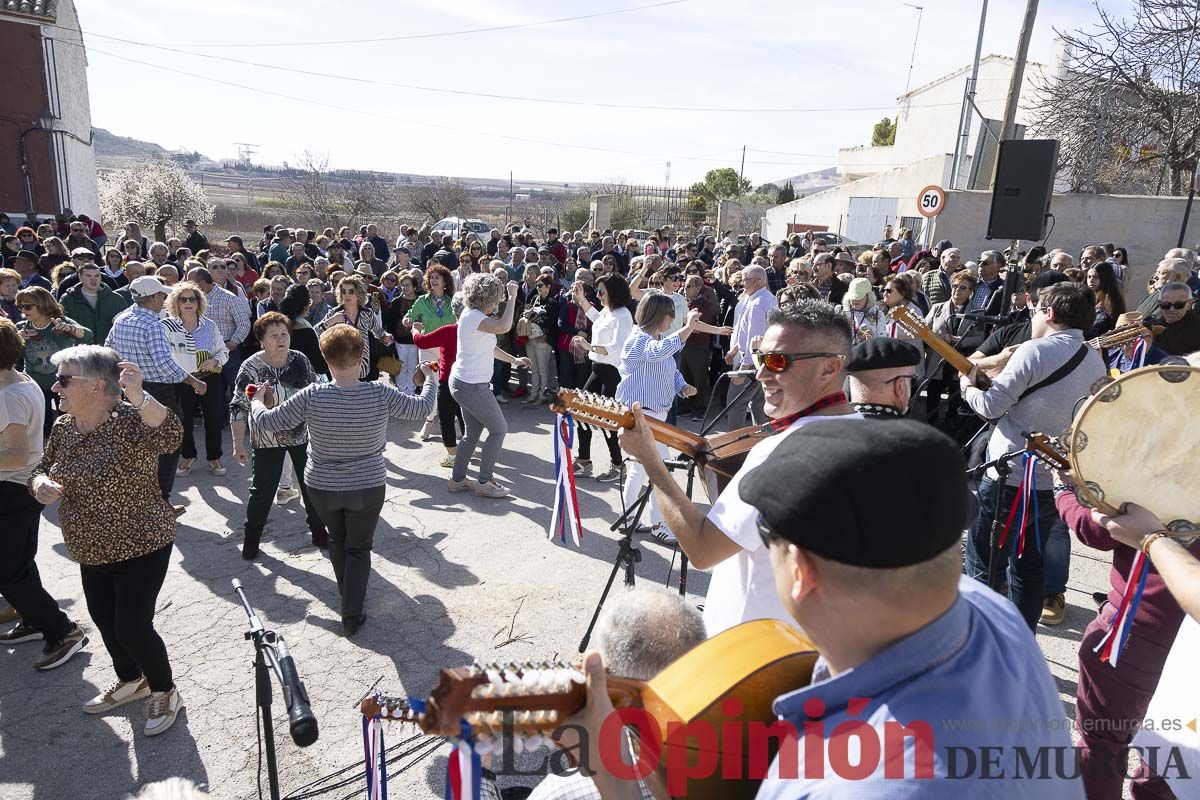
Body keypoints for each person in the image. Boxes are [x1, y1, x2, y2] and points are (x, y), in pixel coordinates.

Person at [618, 299, 859, 634]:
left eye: (777, 361)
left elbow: (703, 550)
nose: (761, 373)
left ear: (830, 369)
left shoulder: (780, 452)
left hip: (753, 653)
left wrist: (650, 459)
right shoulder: (867, 432)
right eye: (761, 358)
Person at [30, 347, 185, 735]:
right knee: (104, 620)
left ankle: (165, 690)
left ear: (98, 386)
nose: (56, 386)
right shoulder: (65, 425)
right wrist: (39, 483)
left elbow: (171, 435)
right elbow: (42, 467)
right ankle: (132, 679)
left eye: (65, 379)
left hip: (142, 541)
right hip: (90, 547)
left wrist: (139, 394)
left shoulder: (132, 419)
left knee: (132, 625)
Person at [249, 325, 437, 636]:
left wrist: (257, 400)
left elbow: (269, 422)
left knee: (337, 539)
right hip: (367, 484)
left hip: (322, 485)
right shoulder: (379, 392)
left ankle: (347, 595)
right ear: (362, 358)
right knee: (359, 548)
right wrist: (429, 379)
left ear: (326, 360)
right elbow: (421, 408)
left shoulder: (313, 395)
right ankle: (351, 612)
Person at [960, 282, 1106, 630]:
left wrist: (966, 384)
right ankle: (1020, 642)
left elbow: (991, 407)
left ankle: (980, 644)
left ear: (1049, 313)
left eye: (1036, 309)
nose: (1034, 316)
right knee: (1029, 566)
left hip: (1009, 476)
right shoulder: (1095, 359)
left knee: (985, 564)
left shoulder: (1033, 350)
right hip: (1053, 482)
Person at [1051, 473, 1200, 798]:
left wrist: (1065, 492)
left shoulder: (1173, 451)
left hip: (1139, 634)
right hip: (1177, 645)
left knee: (1101, 746)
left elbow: (1099, 530)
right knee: (1172, 765)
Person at [0, 318, 87, 669]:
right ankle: (35, 621)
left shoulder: (7, 395)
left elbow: (17, 453)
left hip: (12, 489)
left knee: (7, 572)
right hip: (23, 488)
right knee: (19, 563)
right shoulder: (20, 381)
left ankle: (62, 631)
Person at [105, 276, 209, 507]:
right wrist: (194, 381)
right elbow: (165, 365)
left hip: (129, 390)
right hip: (158, 392)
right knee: (168, 444)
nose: (164, 299)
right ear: (153, 298)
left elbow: (108, 351)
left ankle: (141, 498)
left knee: (140, 446)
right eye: (162, 296)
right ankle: (161, 501)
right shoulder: (152, 325)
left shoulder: (120, 319)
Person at [230, 312, 326, 559]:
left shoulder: (300, 360)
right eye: (273, 335)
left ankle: (319, 531)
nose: (280, 338)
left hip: (302, 434)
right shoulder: (251, 367)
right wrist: (237, 443)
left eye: (284, 334)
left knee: (312, 485)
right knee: (262, 490)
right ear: (262, 340)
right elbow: (239, 405)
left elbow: (316, 393)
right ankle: (252, 539)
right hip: (266, 437)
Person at [614, 294, 701, 542]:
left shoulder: (657, 339)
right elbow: (656, 354)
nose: (672, 319)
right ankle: (659, 524)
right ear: (657, 314)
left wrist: (682, 386)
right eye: (669, 314)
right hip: (641, 414)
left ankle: (628, 518)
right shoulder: (638, 339)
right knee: (660, 471)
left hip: (654, 414)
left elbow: (669, 369)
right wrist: (689, 327)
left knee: (639, 470)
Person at [448, 273, 528, 499]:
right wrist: (513, 297)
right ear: (489, 297)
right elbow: (504, 327)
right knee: (499, 429)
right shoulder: (474, 316)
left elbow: (490, 348)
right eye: (499, 297)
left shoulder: (475, 317)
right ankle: (484, 481)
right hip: (472, 385)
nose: (500, 301)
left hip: (465, 383)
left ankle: (458, 479)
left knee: (472, 432)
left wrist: (515, 360)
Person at [162, 282, 229, 477]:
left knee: (213, 419)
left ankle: (214, 458)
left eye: (193, 299)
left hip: (209, 378)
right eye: (183, 299)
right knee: (184, 420)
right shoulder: (166, 326)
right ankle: (188, 456)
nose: (188, 302)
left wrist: (215, 360)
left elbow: (222, 350)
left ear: (199, 302)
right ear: (176, 302)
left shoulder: (210, 325)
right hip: (181, 380)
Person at [571, 274, 634, 481]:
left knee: (608, 422)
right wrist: (582, 300)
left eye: (601, 292)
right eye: (597, 291)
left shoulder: (623, 315)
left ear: (613, 293)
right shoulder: (608, 311)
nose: (598, 295)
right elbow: (596, 317)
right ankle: (584, 460)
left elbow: (618, 347)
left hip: (612, 373)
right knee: (582, 412)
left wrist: (590, 346)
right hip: (597, 369)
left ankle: (618, 465)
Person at [14, 286, 92, 434]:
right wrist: (16, 339)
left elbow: (87, 335)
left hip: (62, 384)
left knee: (68, 425)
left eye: (28, 306)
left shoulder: (60, 322)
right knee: (42, 428)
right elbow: (9, 355)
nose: (23, 310)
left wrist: (70, 329)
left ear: (43, 304)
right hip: (35, 385)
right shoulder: (21, 328)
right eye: (20, 306)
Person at [412, 295, 468, 469]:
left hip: (447, 381)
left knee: (446, 418)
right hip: (466, 381)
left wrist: (415, 330)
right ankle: (469, 449)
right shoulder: (475, 333)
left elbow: (421, 341)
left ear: (453, 311)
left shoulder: (448, 330)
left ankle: (453, 457)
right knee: (465, 417)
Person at [725, 265, 777, 430]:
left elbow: (754, 339)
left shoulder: (757, 303)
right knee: (760, 404)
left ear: (755, 281)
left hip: (753, 363)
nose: (742, 284)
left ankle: (735, 446)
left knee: (735, 403)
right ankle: (762, 440)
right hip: (764, 362)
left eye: (745, 280)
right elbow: (745, 333)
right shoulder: (767, 298)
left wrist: (743, 368)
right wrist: (734, 350)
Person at [316, 274, 392, 381]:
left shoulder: (366, 313)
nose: (347, 295)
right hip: (340, 364)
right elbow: (315, 332)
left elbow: (379, 332)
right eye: (344, 291)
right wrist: (331, 321)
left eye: (351, 291)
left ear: (358, 294)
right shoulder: (335, 312)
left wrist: (387, 337)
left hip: (362, 368)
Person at [845, 337, 922, 418]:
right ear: (900, 387)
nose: (912, 385)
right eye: (913, 381)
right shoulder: (914, 430)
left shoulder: (832, 427)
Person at [1151, 281, 1200, 355]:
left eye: (1179, 304)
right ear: (1159, 303)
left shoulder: (1197, 328)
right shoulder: (1153, 326)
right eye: (1166, 304)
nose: (1172, 309)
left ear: (1189, 304)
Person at [1086, 260, 1126, 338]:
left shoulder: (1113, 300)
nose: (1091, 280)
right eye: (1089, 277)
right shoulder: (1087, 296)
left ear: (1105, 279)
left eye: (1095, 277)